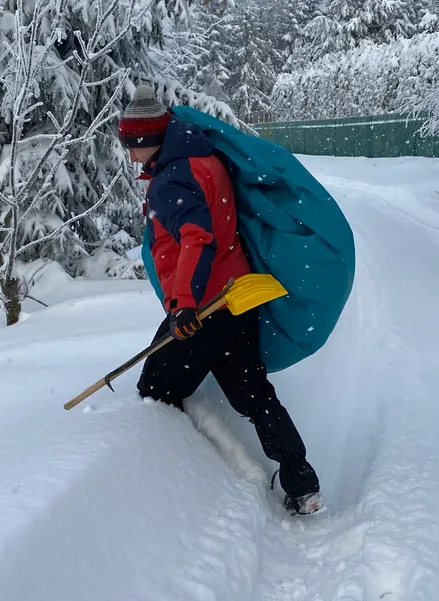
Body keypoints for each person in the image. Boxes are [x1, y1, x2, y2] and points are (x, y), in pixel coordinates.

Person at [117, 85, 323, 516]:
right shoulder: (204, 158)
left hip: (203, 307)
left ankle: (178, 486)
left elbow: (196, 239)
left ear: (148, 138)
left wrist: (184, 305)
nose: (130, 155)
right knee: (254, 393)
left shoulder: (173, 178)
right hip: (237, 297)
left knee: (155, 391)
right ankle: (301, 481)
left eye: (131, 144)